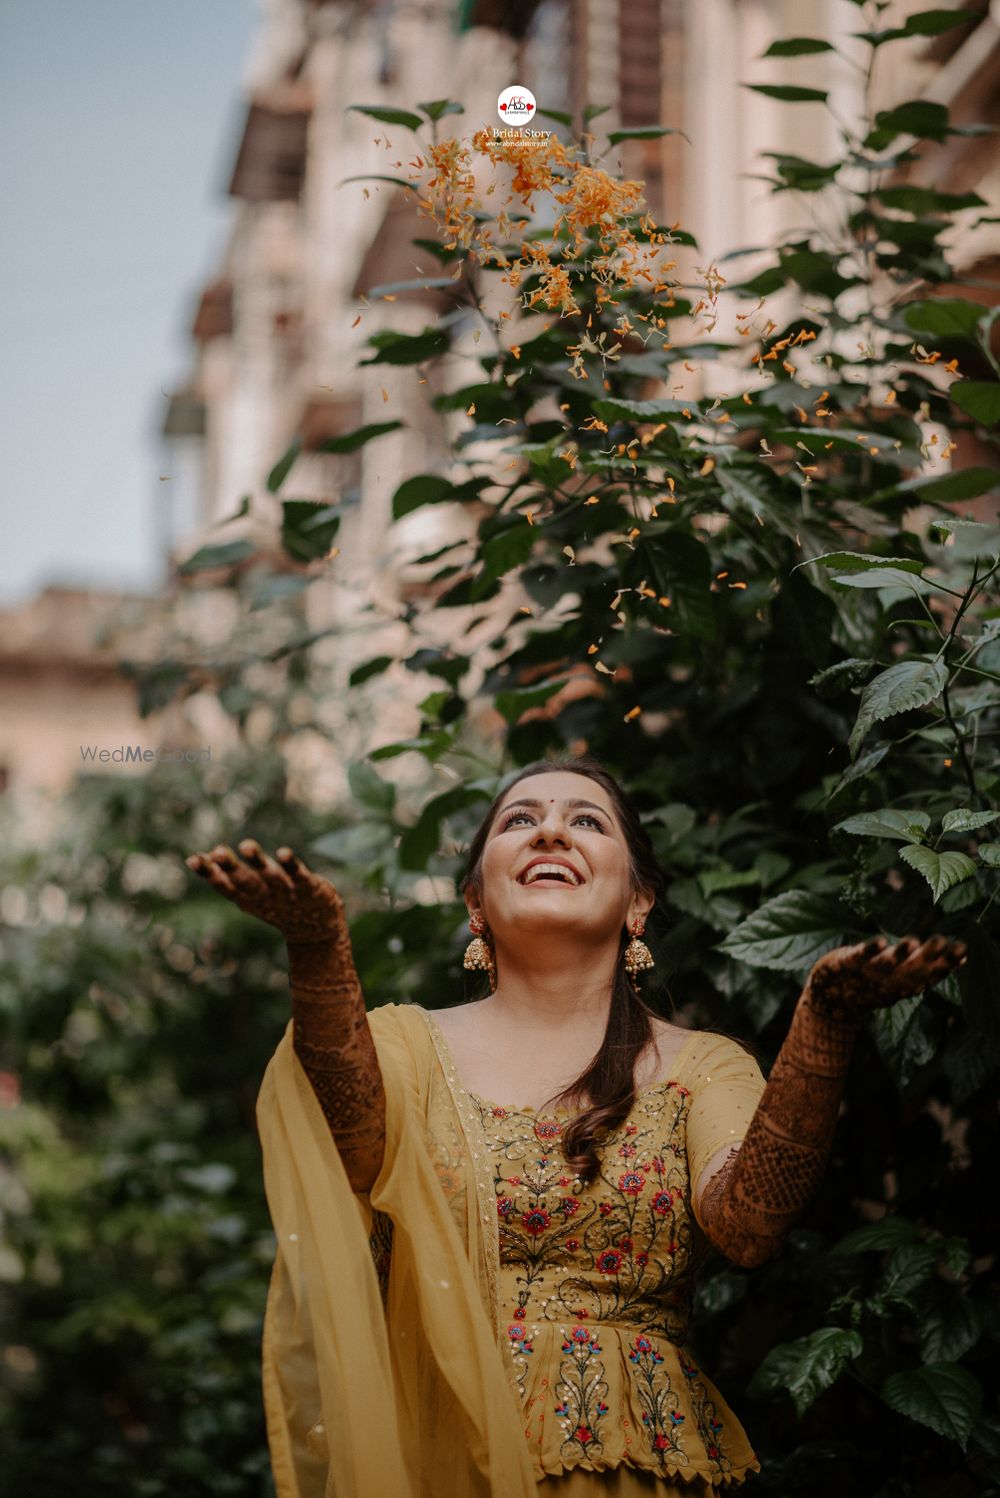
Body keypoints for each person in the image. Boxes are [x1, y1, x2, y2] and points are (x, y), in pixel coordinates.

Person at [186, 756, 967, 1498]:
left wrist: (824, 1027)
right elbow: (354, 1150)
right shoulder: (401, 1045)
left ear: (639, 903)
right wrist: (320, 952)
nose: (550, 832)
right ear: (474, 901)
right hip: (442, 1460)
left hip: (634, 1464)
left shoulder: (702, 1066)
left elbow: (748, 1225)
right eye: (519, 820)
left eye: (586, 822)